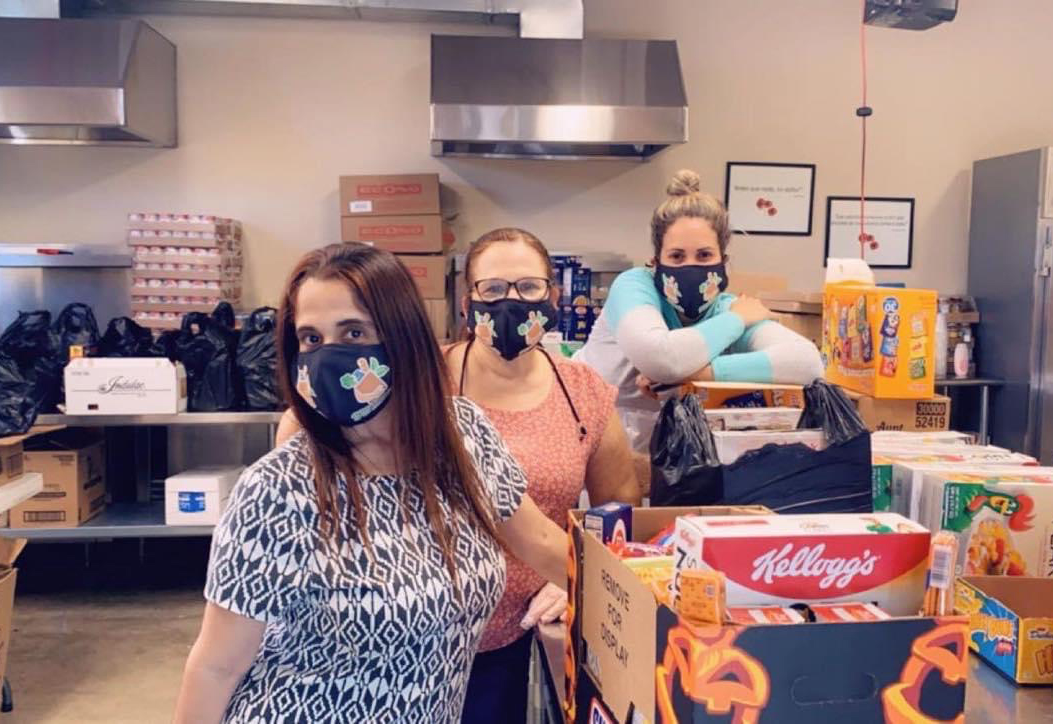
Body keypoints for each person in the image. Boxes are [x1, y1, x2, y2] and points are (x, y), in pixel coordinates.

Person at [174, 243, 570, 724]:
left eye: (354, 332)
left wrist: (638, 594)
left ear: (403, 338)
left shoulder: (465, 437)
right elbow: (215, 666)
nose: (329, 358)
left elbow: (543, 541)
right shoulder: (277, 490)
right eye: (312, 340)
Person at [443, 227, 638, 724]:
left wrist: (569, 576)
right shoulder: (428, 381)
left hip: (533, 629)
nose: (511, 302)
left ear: (552, 297)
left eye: (528, 288)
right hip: (434, 630)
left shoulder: (583, 391)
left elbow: (617, 508)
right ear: (469, 302)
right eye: (492, 289)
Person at [575, 169, 826, 451]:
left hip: (665, 448)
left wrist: (698, 376)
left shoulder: (724, 307)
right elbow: (660, 358)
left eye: (705, 255)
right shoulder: (634, 287)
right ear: (655, 261)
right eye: (677, 256)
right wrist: (738, 319)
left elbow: (807, 363)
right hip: (588, 433)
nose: (691, 266)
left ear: (723, 260)